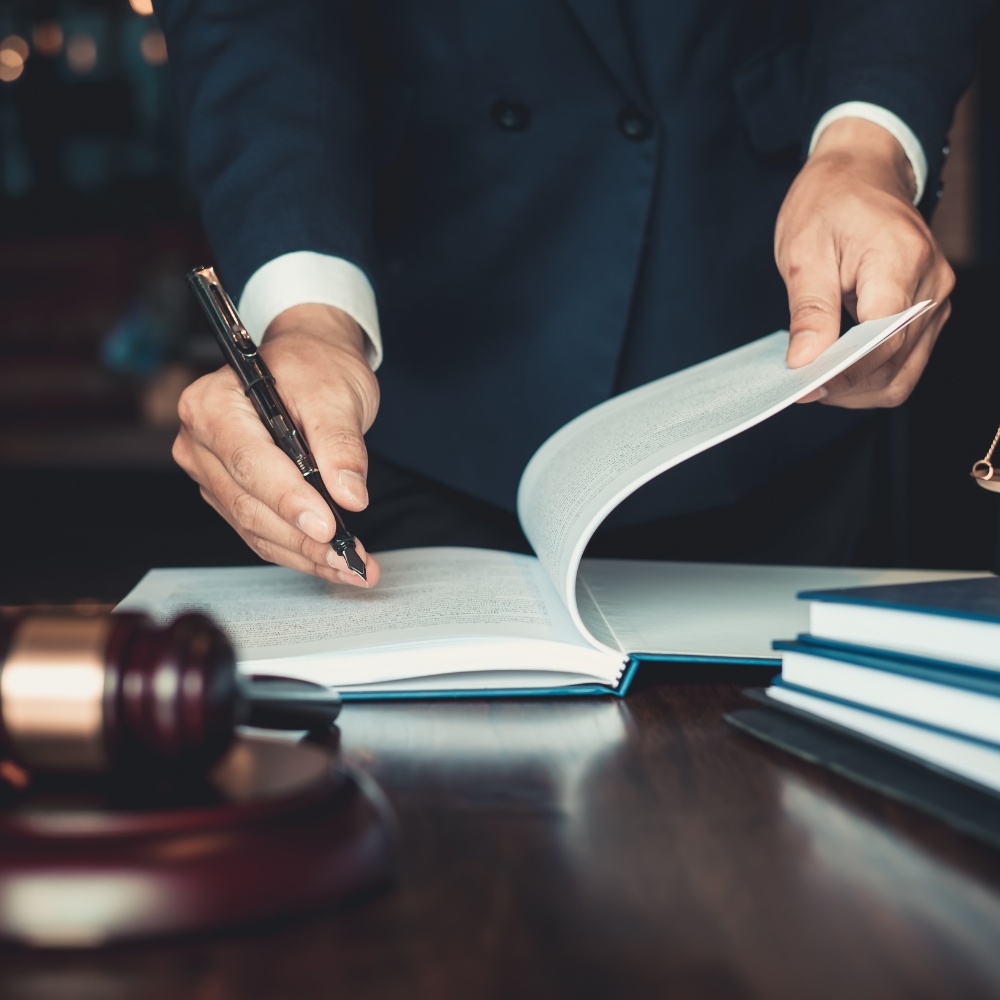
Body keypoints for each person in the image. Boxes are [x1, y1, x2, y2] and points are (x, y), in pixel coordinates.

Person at [155, 1, 987, 588]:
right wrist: (307, 316)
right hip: (424, 352)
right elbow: (256, 21)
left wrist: (866, 145)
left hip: (769, 347)